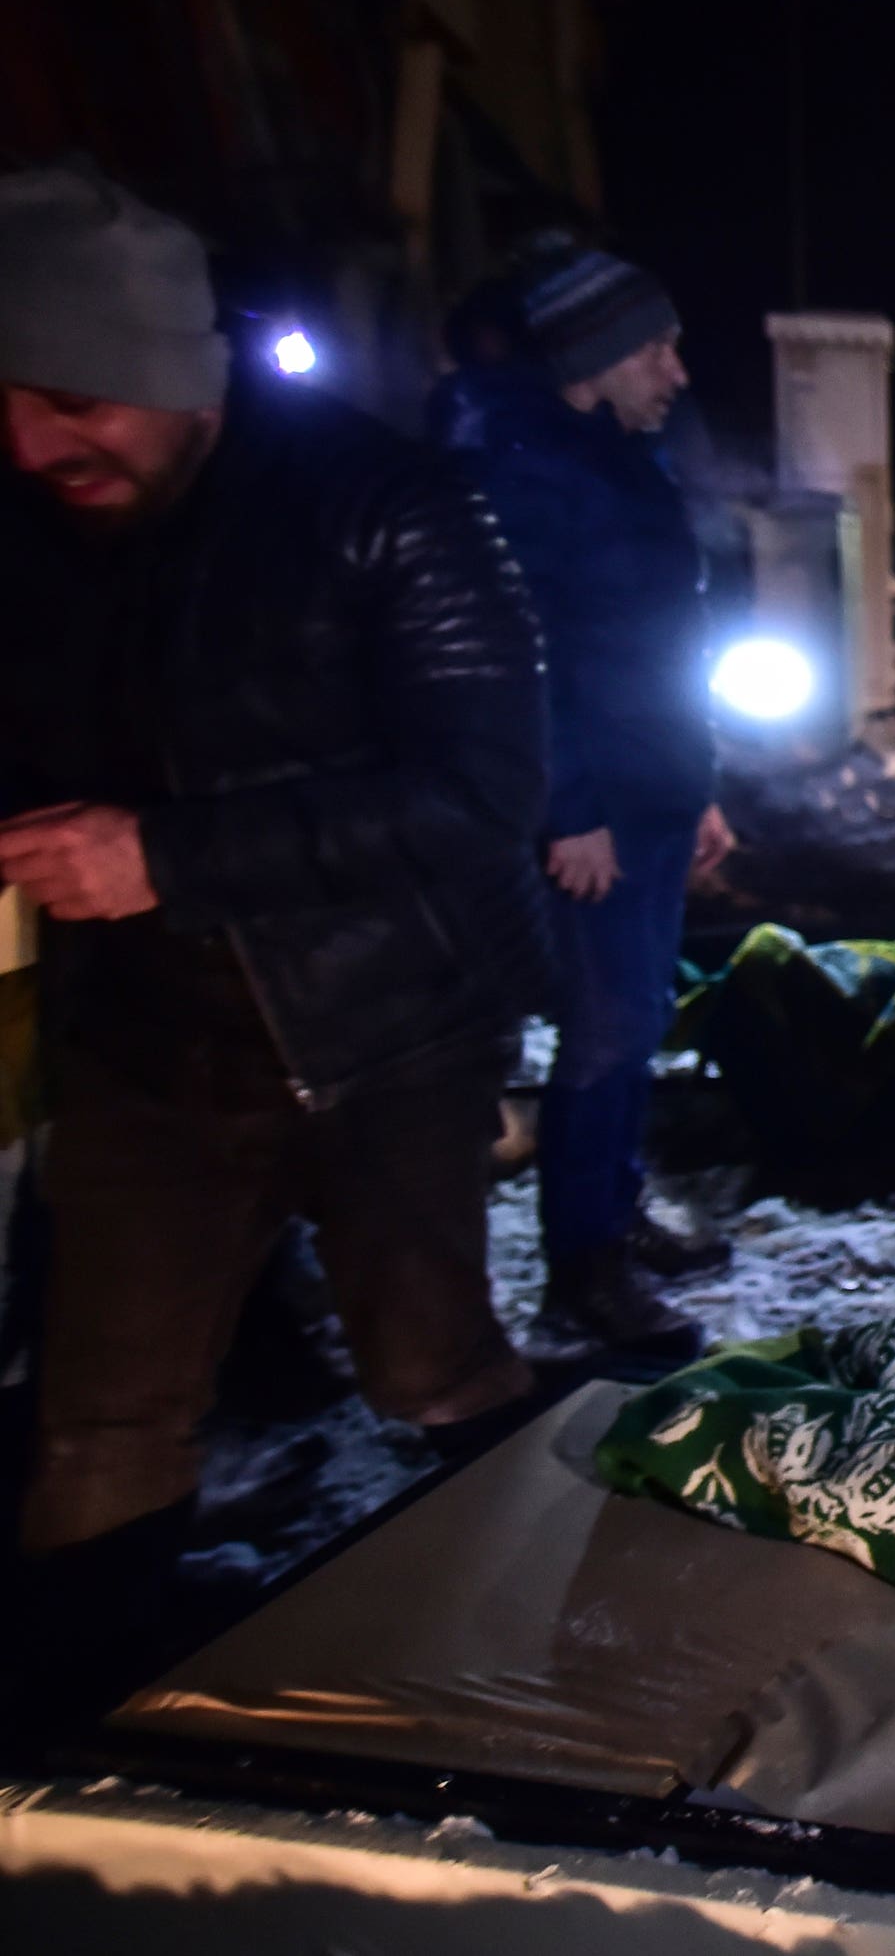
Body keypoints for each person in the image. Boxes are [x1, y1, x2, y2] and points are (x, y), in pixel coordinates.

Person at [0, 167, 545, 1627]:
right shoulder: (33, 533)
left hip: (385, 1036)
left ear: (177, 381)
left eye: (76, 399)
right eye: (6, 396)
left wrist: (163, 858)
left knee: (436, 1365)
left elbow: (479, 791)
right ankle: (85, 1737)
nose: (36, 440)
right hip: (138, 1060)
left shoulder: (380, 502)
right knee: (101, 1420)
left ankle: (516, 1655)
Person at [435, 244, 734, 1358]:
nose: (677, 371)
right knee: (603, 1034)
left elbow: (661, 644)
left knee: (638, 1018)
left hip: (650, 792)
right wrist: (568, 808)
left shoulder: (620, 456)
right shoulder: (518, 469)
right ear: (595, 358)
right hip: (595, 803)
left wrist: (697, 785)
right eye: (657, 349)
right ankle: (583, 1270)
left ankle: (612, 1203)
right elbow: (516, 662)